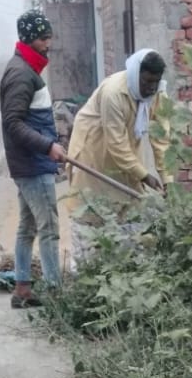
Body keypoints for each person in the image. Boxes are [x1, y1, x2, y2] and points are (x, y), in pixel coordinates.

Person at [64, 48, 172, 264]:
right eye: (147, 81)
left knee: (130, 217)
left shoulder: (158, 93)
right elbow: (116, 144)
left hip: (126, 159)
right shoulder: (113, 92)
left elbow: (161, 139)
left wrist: (167, 180)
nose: (151, 88)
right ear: (135, 74)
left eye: (156, 82)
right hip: (94, 155)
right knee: (92, 214)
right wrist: (145, 175)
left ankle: (125, 268)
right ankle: (87, 269)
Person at [0, 10, 67, 309]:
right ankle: (56, 296)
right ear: (28, 39)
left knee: (27, 227)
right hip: (33, 165)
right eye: (42, 38)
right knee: (49, 229)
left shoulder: (26, 68)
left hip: (31, 163)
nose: (48, 43)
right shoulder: (21, 74)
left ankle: (22, 289)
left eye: (49, 37)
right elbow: (13, 123)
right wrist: (48, 146)